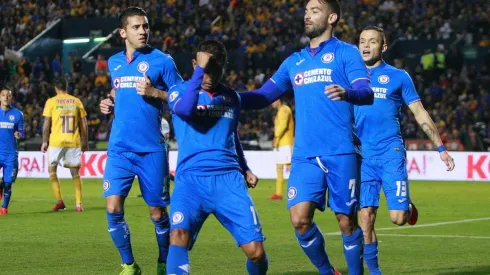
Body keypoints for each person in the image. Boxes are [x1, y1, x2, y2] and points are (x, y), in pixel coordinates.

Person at [238, 0, 374, 274]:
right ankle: (327, 271)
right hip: (305, 154)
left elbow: (366, 92)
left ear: (332, 17)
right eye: (306, 11)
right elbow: (264, 96)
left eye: (315, 11)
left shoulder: (347, 53)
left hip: (341, 151)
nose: (307, 16)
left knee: (346, 220)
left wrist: (347, 93)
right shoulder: (294, 61)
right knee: (299, 219)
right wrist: (230, 98)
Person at [355, 26, 456, 275]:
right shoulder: (350, 77)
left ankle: (407, 208)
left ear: (384, 47)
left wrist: (440, 147)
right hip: (361, 157)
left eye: (372, 41)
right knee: (365, 219)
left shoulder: (399, 77)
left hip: (391, 153)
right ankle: (375, 272)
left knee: (397, 218)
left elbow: (420, 112)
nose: (366, 46)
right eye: (362, 41)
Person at [165, 40, 268, 275]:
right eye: (204, 67)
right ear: (195, 64)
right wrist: (199, 72)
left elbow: (232, 135)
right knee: (178, 235)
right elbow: (185, 110)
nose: (209, 74)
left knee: (257, 252)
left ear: (224, 68)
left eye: (215, 68)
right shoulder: (178, 91)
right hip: (191, 181)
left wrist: (245, 168)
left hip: (228, 181)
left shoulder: (232, 98)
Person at [98, 6, 183, 275]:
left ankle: (163, 261)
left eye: (145, 26)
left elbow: (183, 97)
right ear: (123, 32)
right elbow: (117, 87)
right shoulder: (114, 62)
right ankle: (129, 265)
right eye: (136, 27)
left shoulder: (163, 61)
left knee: (157, 214)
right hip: (120, 148)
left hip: (151, 150)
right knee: (112, 207)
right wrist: (109, 101)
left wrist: (155, 92)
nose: (143, 31)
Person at [41, 77, 88, 212]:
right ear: (66, 86)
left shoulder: (51, 102)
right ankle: (79, 204)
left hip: (56, 142)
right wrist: (85, 141)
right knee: (75, 173)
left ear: (56, 88)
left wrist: (44, 141)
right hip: (73, 141)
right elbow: (84, 124)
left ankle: (60, 201)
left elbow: (46, 124)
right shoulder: (76, 101)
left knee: (52, 171)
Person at [0, 87, 24, 215]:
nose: (5, 97)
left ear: (11, 98)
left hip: (10, 155)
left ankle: (4, 207)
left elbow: (22, 132)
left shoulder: (17, 114)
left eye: (8, 95)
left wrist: (19, 135)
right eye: (3, 95)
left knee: (8, 182)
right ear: (0, 98)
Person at [268, 98, 294, 200]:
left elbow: (282, 126)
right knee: (279, 169)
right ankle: (278, 193)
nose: (271, 104)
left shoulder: (284, 109)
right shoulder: (280, 111)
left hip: (286, 144)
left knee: (290, 169)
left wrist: (276, 136)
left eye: (272, 101)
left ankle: (296, 192)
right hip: (280, 144)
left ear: (278, 100)